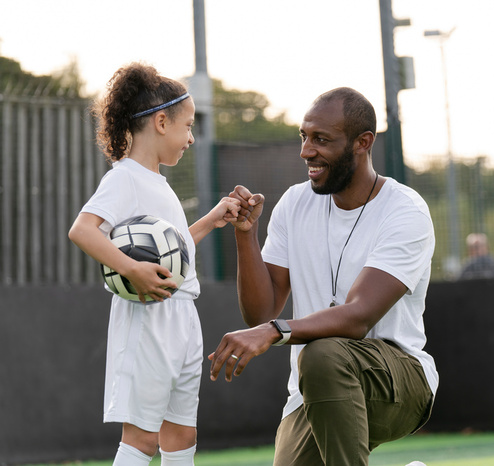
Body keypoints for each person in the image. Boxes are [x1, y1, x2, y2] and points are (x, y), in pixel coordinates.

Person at [209, 87, 438, 466]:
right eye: (304, 136)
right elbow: (260, 310)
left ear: (363, 143)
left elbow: (359, 316)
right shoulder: (294, 204)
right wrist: (246, 235)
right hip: (313, 386)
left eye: (321, 140)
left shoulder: (404, 211)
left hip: (398, 380)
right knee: (319, 360)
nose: (306, 151)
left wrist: (274, 331)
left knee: (322, 353)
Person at [68, 63, 241, 466]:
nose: (192, 138)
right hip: (147, 320)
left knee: (180, 434)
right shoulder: (124, 178)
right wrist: (130, 269)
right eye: (188, 125)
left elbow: (173, 253)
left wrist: (211, 220)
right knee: (143, 437)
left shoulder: (158, 182)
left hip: (182, 316)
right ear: (161, 122)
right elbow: (83, 229)